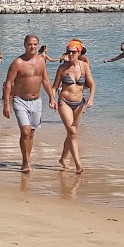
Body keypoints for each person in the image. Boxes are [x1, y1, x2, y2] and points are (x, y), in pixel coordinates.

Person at [1, 34, 54, 173]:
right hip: (20, 100)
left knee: (31, 133)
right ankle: (25, 162)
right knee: (25, 131)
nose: (33, 47)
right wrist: (6, 104)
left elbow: (46, 81)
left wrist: (52, 98)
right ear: (25, 45)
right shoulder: (18, 62)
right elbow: (8, 84)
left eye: (35, 44)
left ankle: (27, 159)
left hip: (36, 101)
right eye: (30, 44)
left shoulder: (41, 61)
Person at [50, 40, 94, 173]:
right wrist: (52, 99)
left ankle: (63, 159)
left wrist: (90, 99)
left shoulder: (84, 66)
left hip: (79, 104)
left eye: (73, 52)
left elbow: (92, 84)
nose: (70, 54)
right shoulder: (62, 68)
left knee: (71, 134)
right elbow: (54, 87)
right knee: (73, 133)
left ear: (79, 52)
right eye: (68, 51)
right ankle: (78, 165)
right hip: (64, 102)